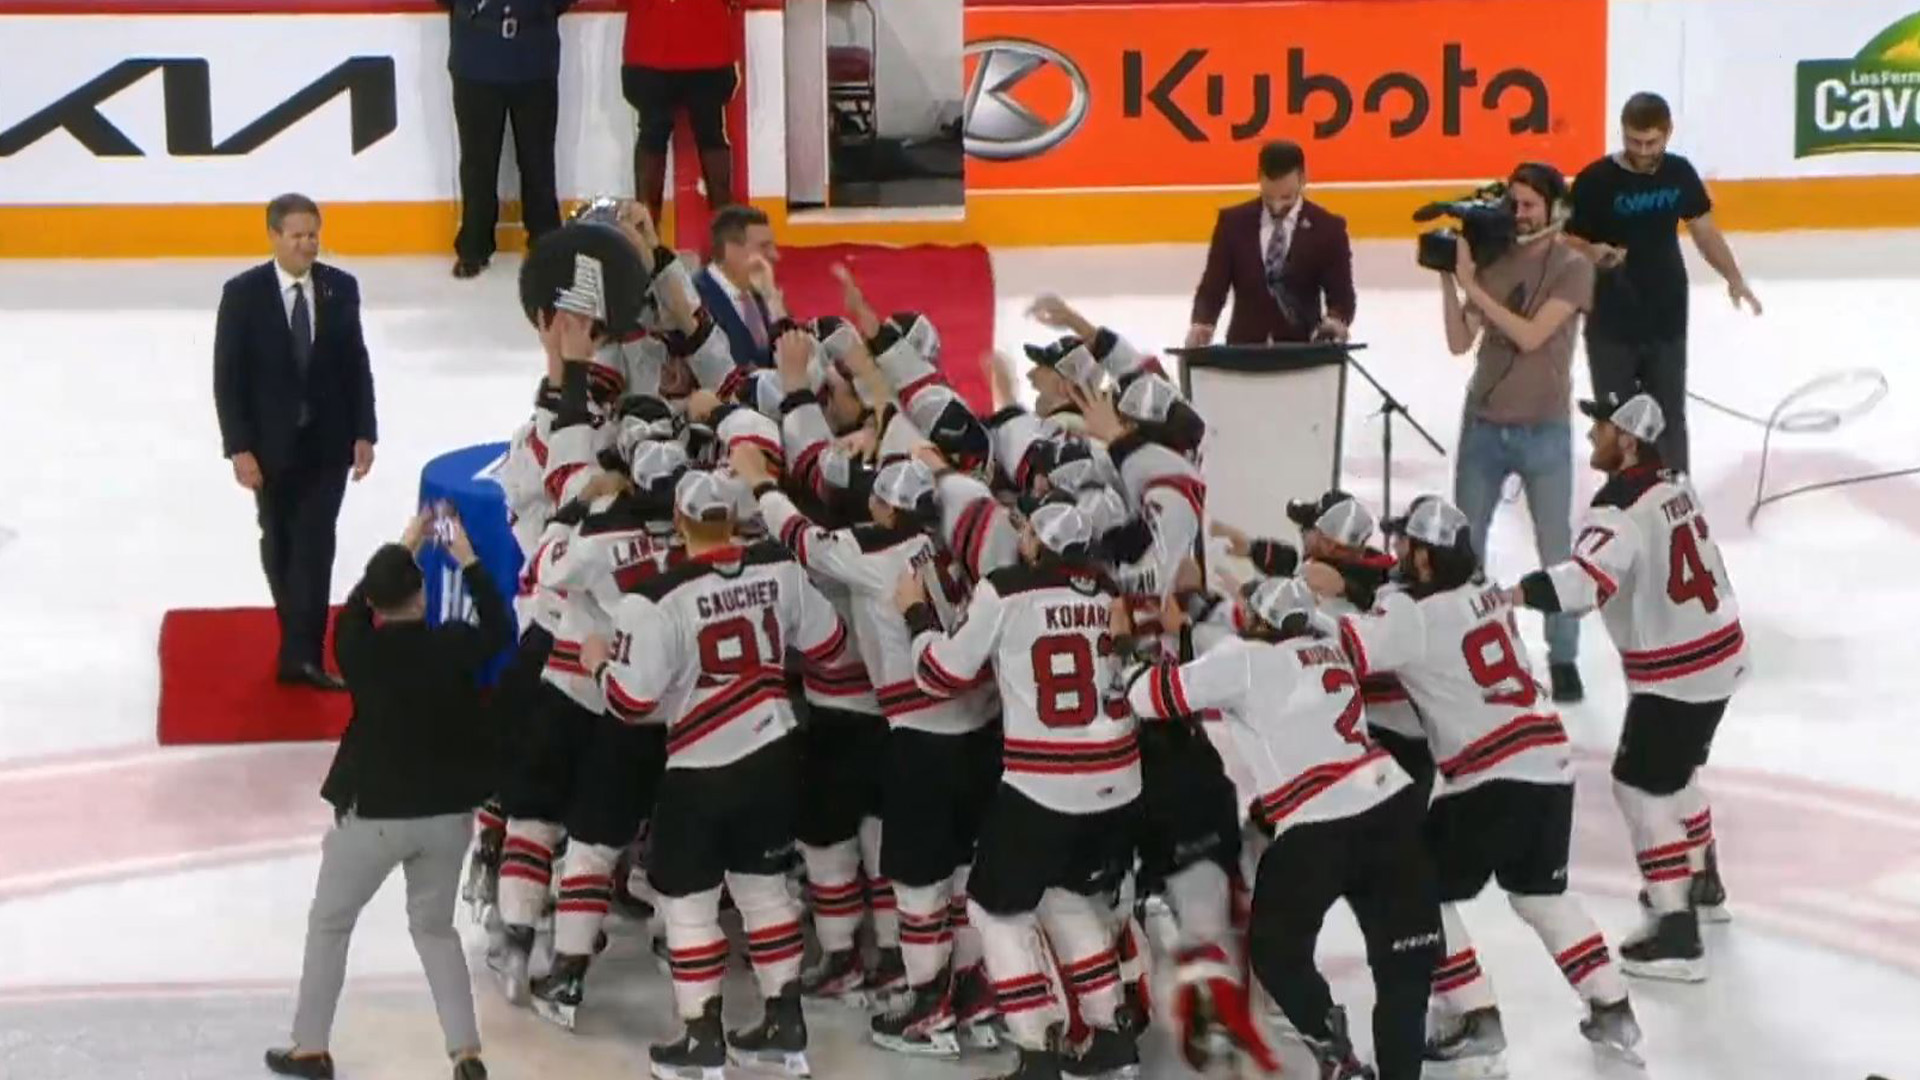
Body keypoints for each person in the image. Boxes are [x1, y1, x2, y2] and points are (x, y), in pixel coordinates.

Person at [1333, 497, 1641, 1076]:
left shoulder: (1412, 616)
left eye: (1406, 546)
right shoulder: (1485, 594)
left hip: (1489, 780)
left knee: (1412, 888)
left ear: (1424, 558)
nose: (1397, 554)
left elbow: (1344, 647)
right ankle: (1612, 1004)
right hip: (1551, 765)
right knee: (1539, 895)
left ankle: (1474, 1014)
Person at [584, 469, 852, 1080]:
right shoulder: (778, 569)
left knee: (690, 903)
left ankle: (701, 1035)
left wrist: (601, 666)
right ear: (732, 518)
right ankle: (786, 1026)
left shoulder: (653, 598)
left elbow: (629, 704)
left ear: (679, 523)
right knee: (764, 890)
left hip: (701, 766)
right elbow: (832, 642)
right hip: (777, 752)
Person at [1129, 576, 1438, 1080]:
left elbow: (1151, 698)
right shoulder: (1337, 642)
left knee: (1274, 950)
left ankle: (1330, 1046)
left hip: (1317, 824)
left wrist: (1145, 656)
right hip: (1391, 807)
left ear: (1257, 622)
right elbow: (1402, 631)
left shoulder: (1245, 659)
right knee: (1405, 971)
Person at [1509, 392, 1748, 982]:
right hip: (1722, 651)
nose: (1592, 437)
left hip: (1677, 672)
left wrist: (1514, 594)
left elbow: (1586, 586)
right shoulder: (1674, 484)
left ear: (1630, 442)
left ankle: (1675, 929)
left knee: (1640, 788)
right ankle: (1702, 880)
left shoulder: (1617, 506)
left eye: (1603, 429)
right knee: (1676, 774)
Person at [265, 511, 511, 1080]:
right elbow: (499, 627)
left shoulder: (360, 652)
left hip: (373, 814)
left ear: (375, 604)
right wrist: (468, 559)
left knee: (330, 924)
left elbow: (350, 615)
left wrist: (406, 541)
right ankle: (466, 1053)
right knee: (435, 930)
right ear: (423, 594)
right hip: (448, 816)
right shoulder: (454, 645)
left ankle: (310, 1047)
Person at [901, 501, 1142, 1080]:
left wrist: (915, 616)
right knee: (1066, 897)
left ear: (1038, 543)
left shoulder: (1006, 589)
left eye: (1028, 531)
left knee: (993, 911)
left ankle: (1036, 1048)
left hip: (1045, 784)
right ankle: (1112, 1034)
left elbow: (943, 674)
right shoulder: (1111, 590)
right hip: (1118, 781)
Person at [1439, 162, 1592, 703]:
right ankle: (1474, 649)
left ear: (1554, 208)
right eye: (1514, 204)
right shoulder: (1493, 260)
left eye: (1529, 205)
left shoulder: (1573, 267)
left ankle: (1565, 656)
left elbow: (1530, 335)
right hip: (1484, 423)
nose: (1519, 215)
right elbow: (1461, 343)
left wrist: (1471, 287)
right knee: (1466, 548)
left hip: (1544, 427)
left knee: (1555, 547)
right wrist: (1447, 276)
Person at [213, 194, 378, 691]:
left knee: (314, 543)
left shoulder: (339, 288)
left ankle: (303, 655)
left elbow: (356, 364)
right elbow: (228, 377)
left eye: (313, 234)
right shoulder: (243, 294)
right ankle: (295, 639)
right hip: (270, 448)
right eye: (297, 235)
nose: (308, 244)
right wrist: (239, 448)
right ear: (274, 236)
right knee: (278, 541)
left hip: (327, 444)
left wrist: (365, 431)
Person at [1565, 91, 1762, 474]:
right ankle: (1623, 500)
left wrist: (1734, 278)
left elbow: (1704, 231)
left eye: (1651, 142)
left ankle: (1676, 495)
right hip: (1610, 319)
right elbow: (1564, 237)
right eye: (1633, 141)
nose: (1641, 150)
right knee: (1617, 419)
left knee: (1669, 415)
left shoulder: (1679, 173)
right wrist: (1592, 251)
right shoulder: (1595, 181)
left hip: (1666, 314)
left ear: (1668, 133)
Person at [442, 0, 572, 279]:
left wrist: (542, 10)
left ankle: (545, 243)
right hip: (476, 57)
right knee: (478, 161)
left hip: (535, 55)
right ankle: (474, 247)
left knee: (538, 160)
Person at [1188, 139, 1356, 347]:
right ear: (1259, 178)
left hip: (1304, 354)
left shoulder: (1328, 229)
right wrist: (1202, 322)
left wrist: (1335, 322)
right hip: (1243, 352)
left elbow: (1342, 294)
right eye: (1269, 197)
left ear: (1303, 179)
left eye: (1286, 197)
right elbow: (1212, 287)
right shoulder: (1232, 223)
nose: (1277, 206)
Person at [621, 0, 741, 222]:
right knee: (709, 134)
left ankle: (646, 238)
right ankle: (726, 237)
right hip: (700, 41)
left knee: (653, 135)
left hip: (654, 42)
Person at [695, 205, 784, 370]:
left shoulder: (760, 289)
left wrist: (773, 301)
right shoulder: (697, 299)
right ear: (731, 251)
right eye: (764, 246)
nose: (775, 255)